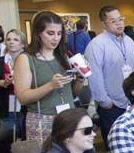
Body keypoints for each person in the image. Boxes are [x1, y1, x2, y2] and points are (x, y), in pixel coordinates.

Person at [14, 11, 83, 145]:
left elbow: (71, 93)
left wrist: (80, 78)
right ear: (38, 33)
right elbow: (22, 97)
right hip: (42, 121)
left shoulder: (63, 56)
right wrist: (50, 85)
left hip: (68, 118)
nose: (55, 38)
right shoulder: (26, 59)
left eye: (59, 33)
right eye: (50, 33)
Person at [85, 6, 134, 146]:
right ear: (104, 24)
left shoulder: (129, 41)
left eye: (120, 19)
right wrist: (105, 101)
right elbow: (94, 76)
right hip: (112, 106)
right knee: (116, 147)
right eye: (113, 21)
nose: (119, 23)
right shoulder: (96, 45)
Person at [0, 29, 27, 153]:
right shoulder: (0, 61)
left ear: (22, 43)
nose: (11, 42)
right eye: (9, 39)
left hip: (26, 107)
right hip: (7, 106)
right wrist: (3, 83)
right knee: (7, 147)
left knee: (28, 146)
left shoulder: (29, 60)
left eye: (15, 39)